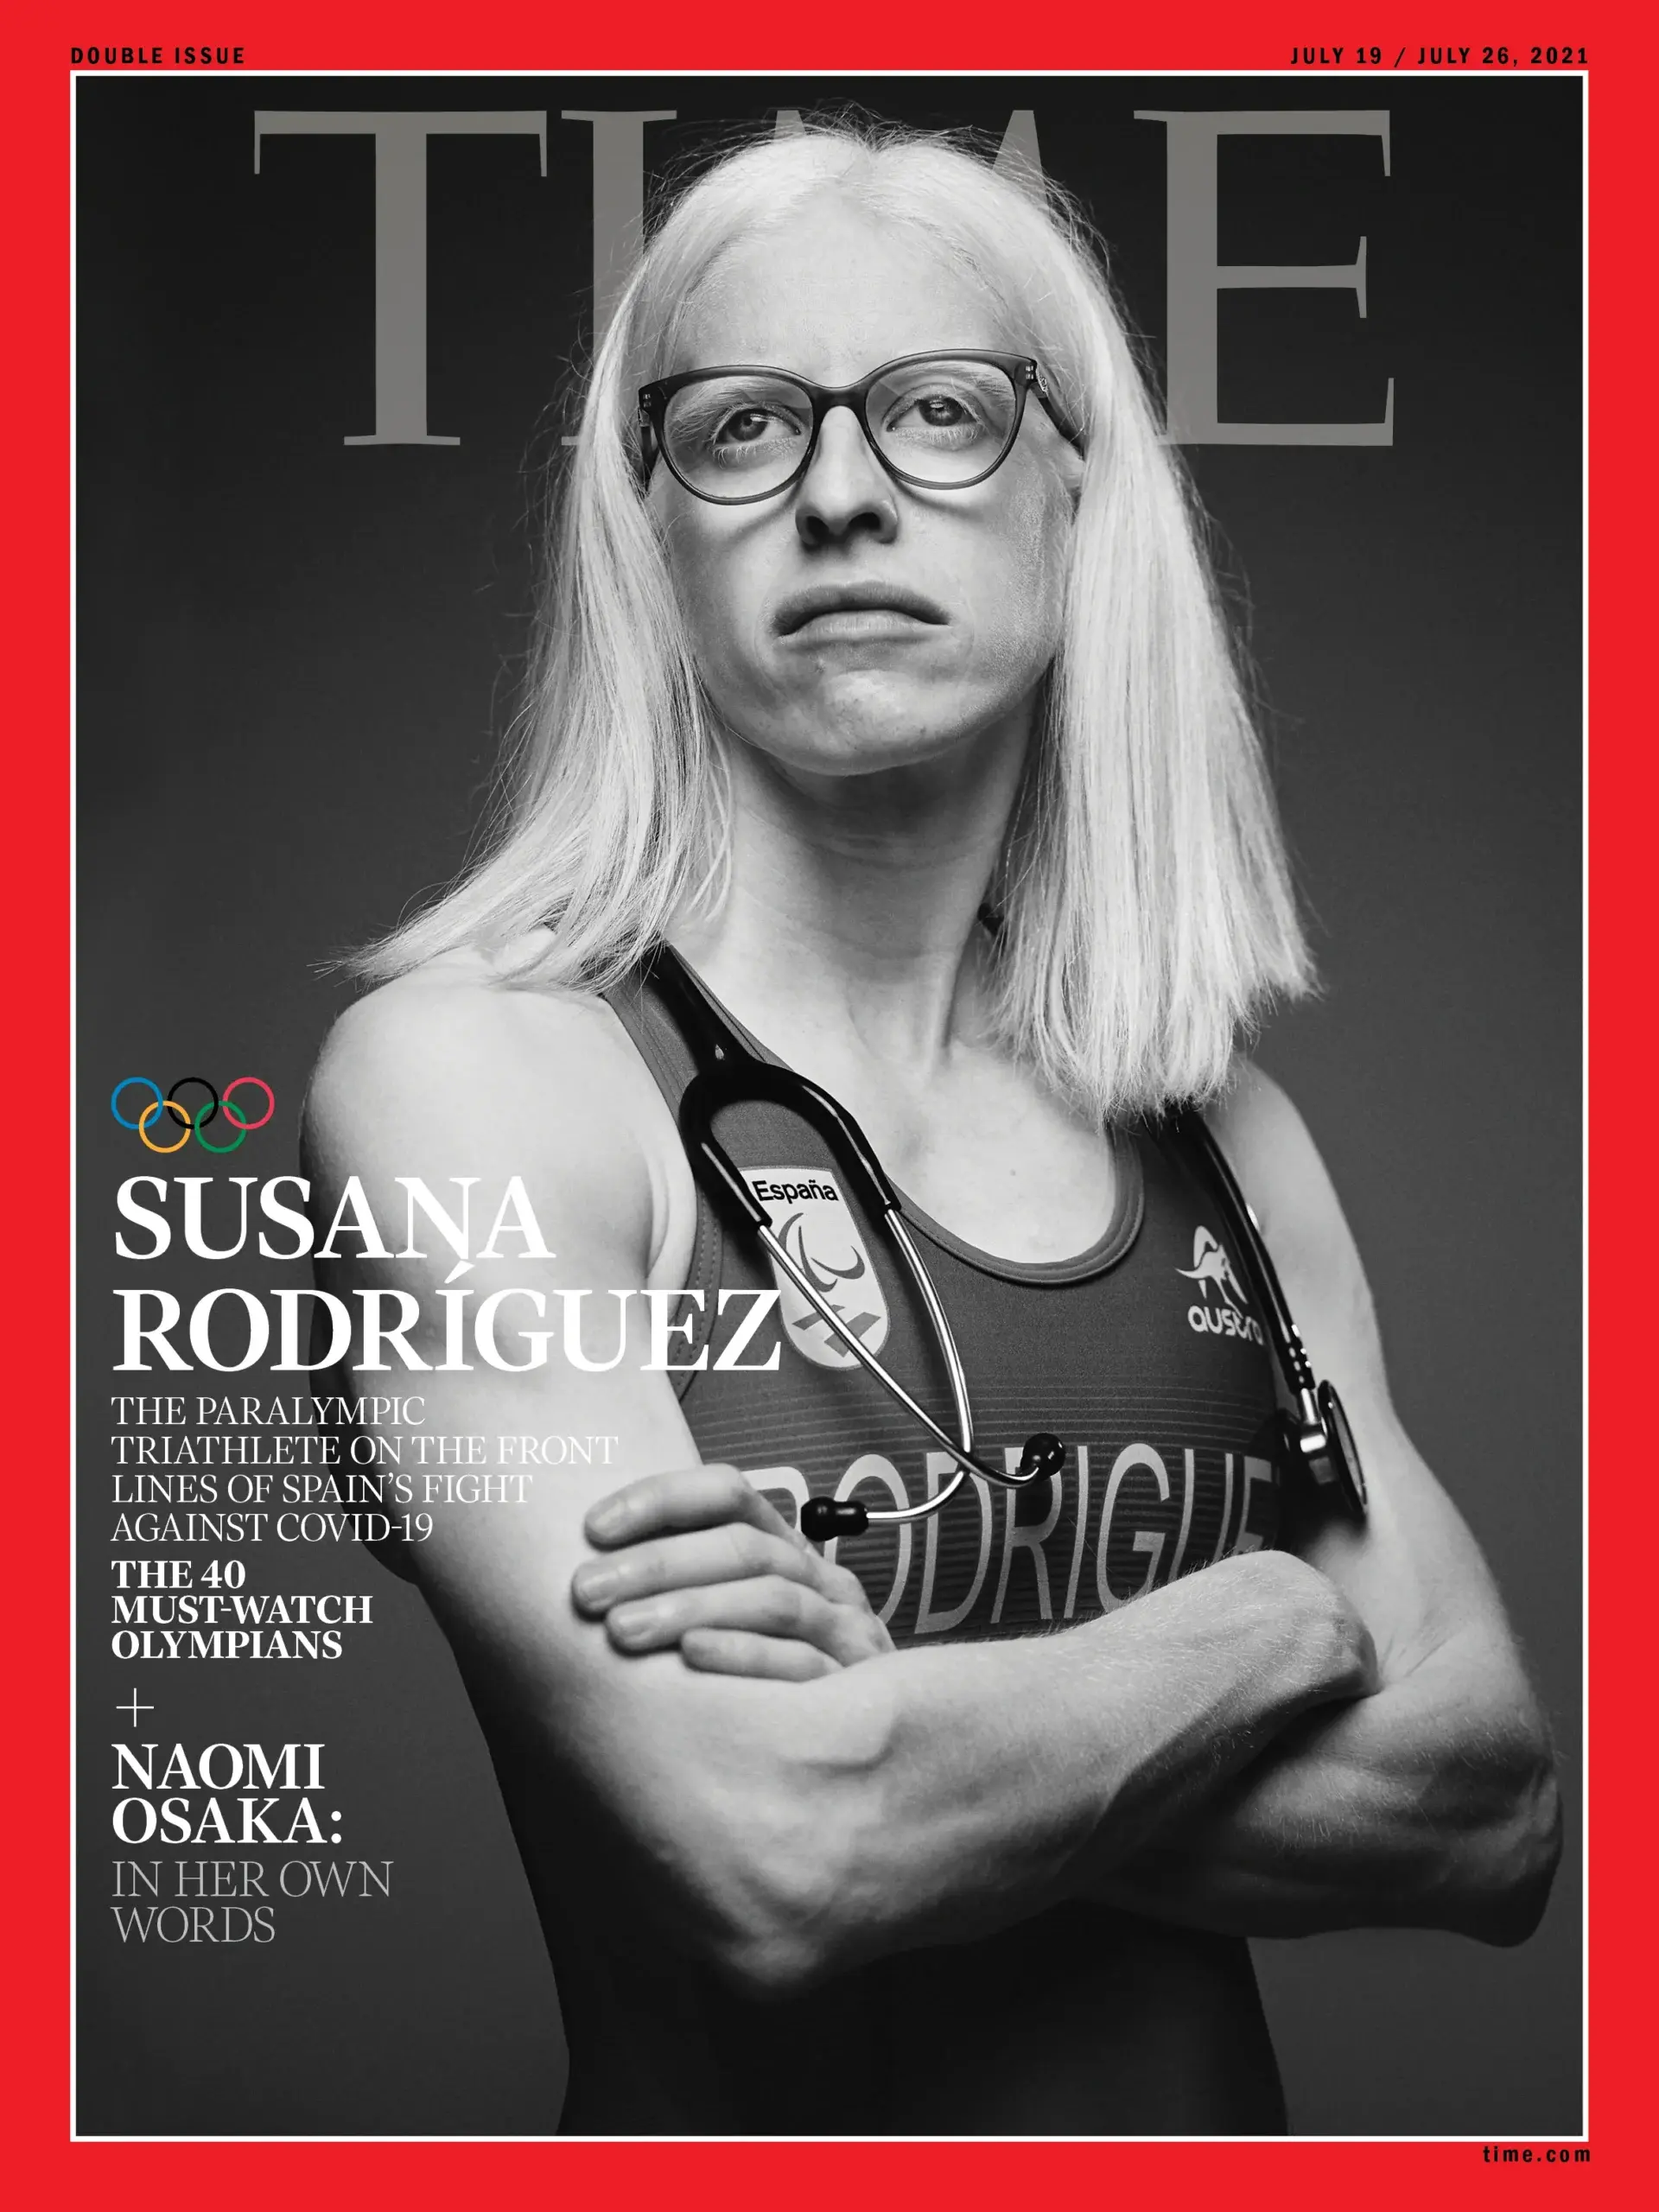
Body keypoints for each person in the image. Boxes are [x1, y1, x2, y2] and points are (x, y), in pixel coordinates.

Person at [302, 119, 1560, 2136]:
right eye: (740, 427)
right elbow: (776, 1855)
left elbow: (1497, 1811)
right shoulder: (478, 1080)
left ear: (1079, 493)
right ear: (650, 527)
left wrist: (896, 1698)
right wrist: (1276, 1616)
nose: (844, 492)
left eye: (943, 412)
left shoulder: (1227, 1137)